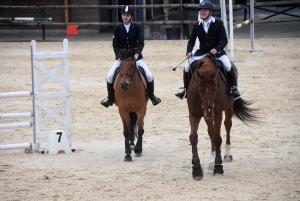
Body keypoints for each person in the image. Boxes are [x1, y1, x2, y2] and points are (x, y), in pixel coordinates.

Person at [175, 0, 241, 100]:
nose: (202, 12)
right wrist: (188, 52)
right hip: (201, 52)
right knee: (187, 66)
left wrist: (217, 49)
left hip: (216, 53)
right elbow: (191, 41)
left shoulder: (218, 23)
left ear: (210, 12)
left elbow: (224, 40)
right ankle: (185, 89)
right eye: (201, 10)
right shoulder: (196, 25)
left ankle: (234, 87)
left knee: (227, 65)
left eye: (205, 10)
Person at [100, 5, 161, 108]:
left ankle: (152, 96)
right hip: (122, 58)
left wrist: (137, 53)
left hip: (136, 57)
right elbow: (115, 45)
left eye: (127, 15)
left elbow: (141, 43)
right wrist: (118, 56)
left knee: (149, 76)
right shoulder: (117, 28)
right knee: (110, 76)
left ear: (131, 16)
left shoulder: (137, 27)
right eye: (123, 15)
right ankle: (110, 99)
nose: (125, 17)